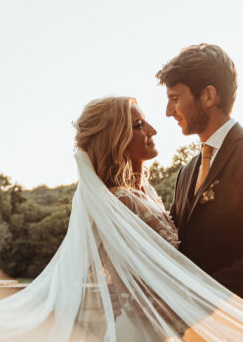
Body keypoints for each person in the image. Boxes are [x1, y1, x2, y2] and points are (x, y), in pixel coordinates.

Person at [157, 43, 243, 320]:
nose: (168, 111)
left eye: (175, 98)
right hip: (195, 328)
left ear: (208, 96)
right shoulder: (187, 172)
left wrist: (208, 293)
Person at [74, 95, 178, 247]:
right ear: (115, 140)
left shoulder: (146, 190)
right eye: (139, 125)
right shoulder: (121, 201)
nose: (153, 131)